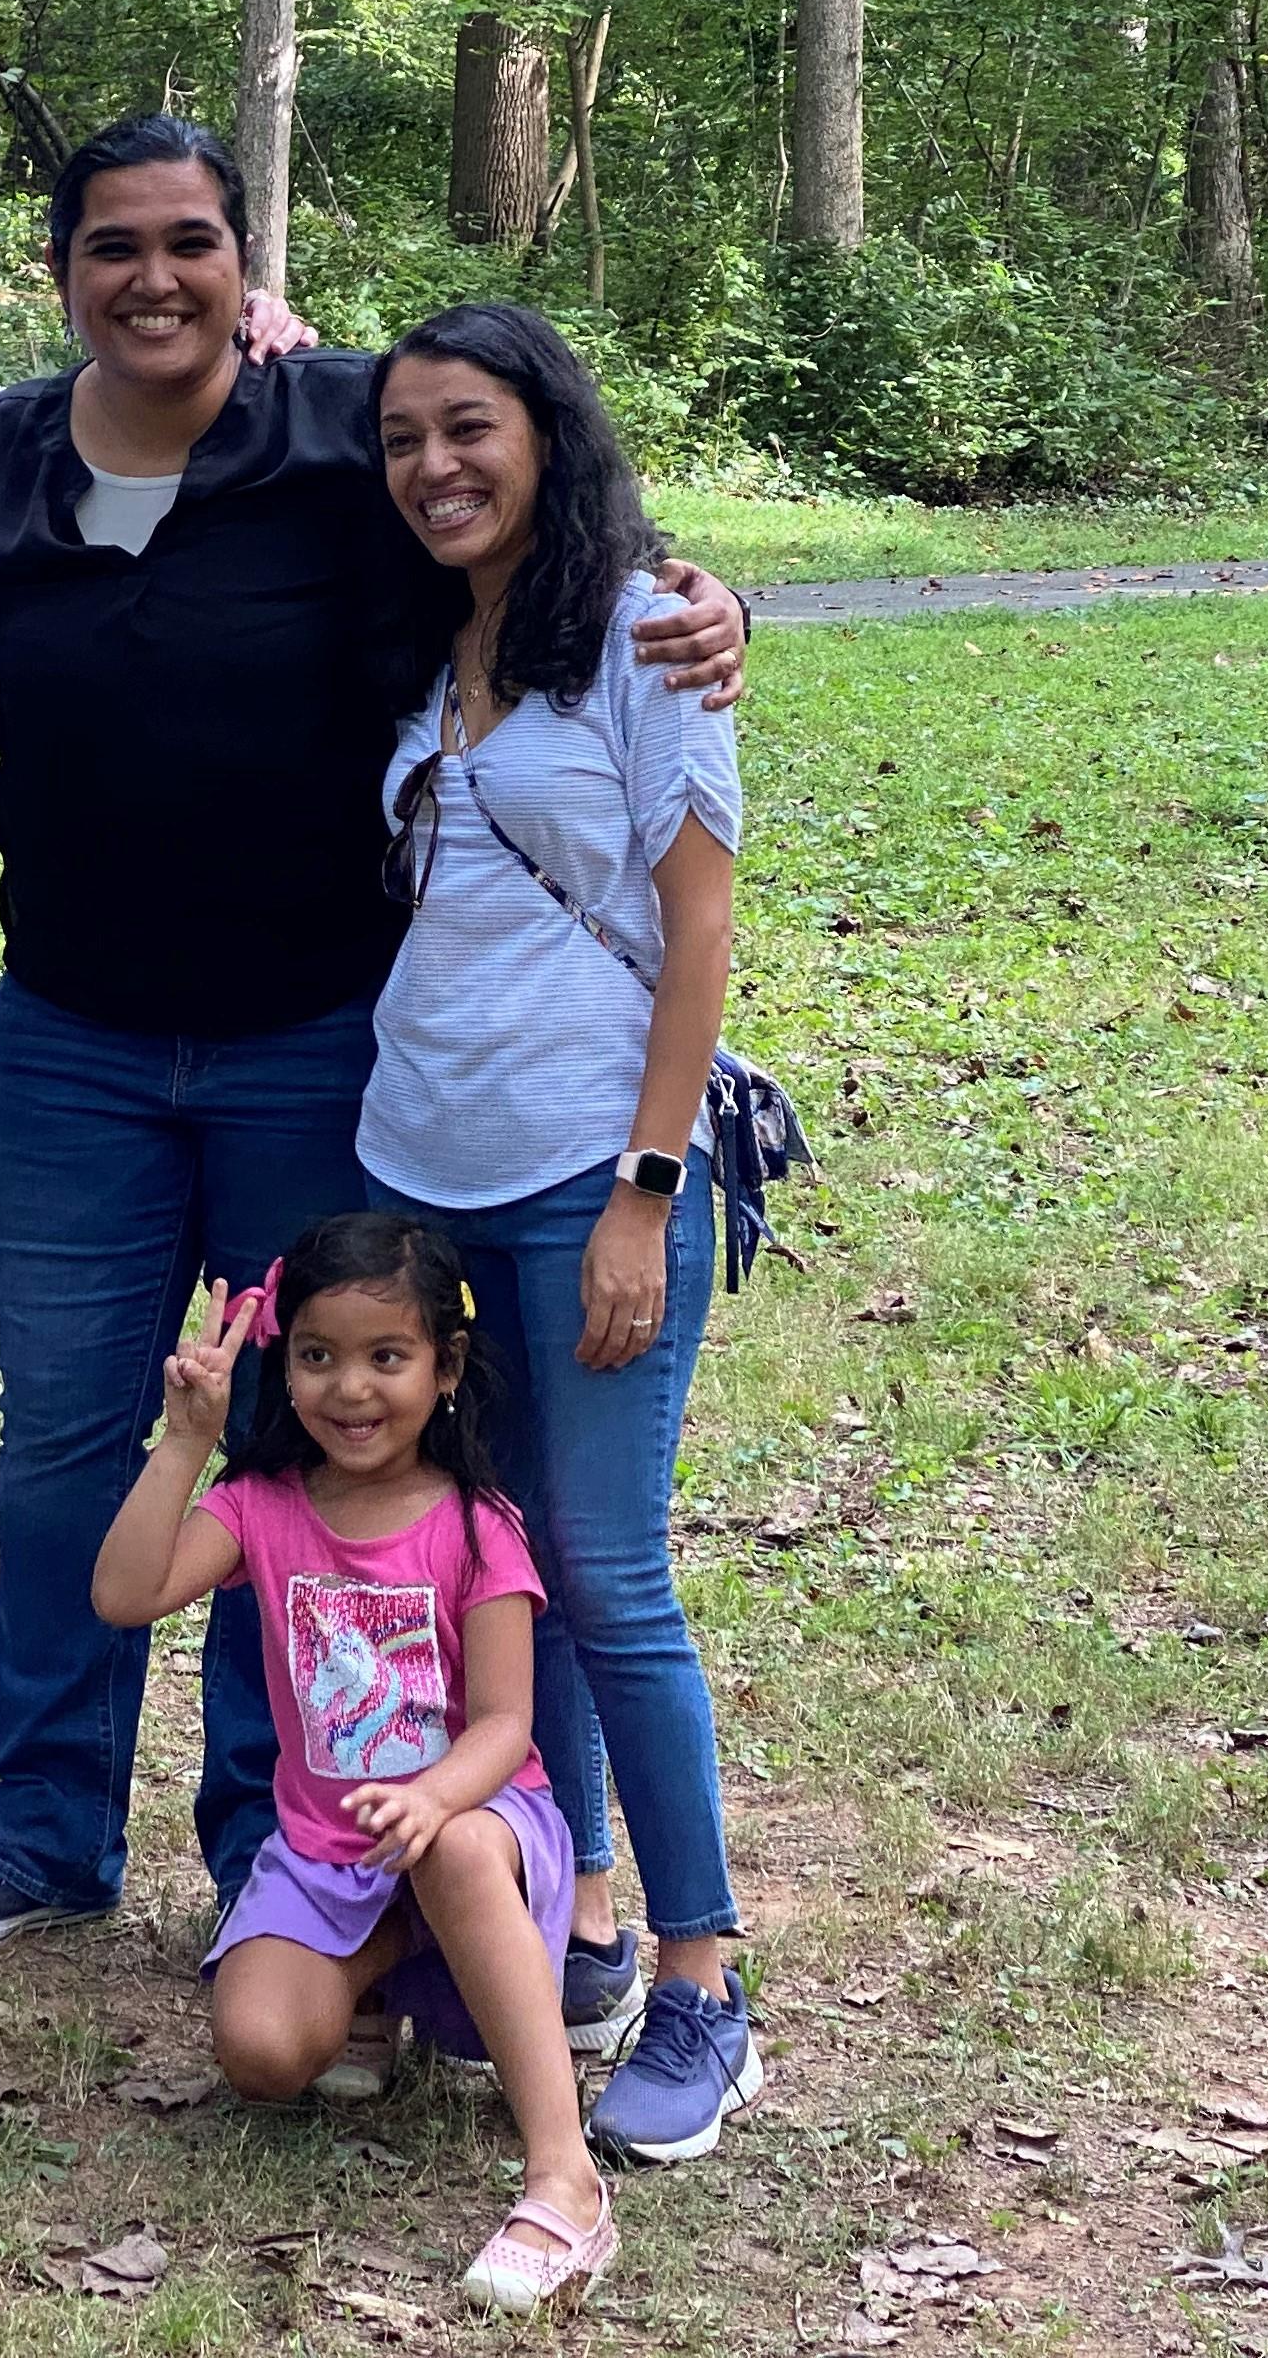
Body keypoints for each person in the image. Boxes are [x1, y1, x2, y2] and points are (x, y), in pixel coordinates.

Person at [0, 115, 749, 1975]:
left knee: (290, 1441)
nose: (152, 276)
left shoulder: (333, 425)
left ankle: (272, 1843)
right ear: (61, 272)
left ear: (240, 258)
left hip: (311, 1047)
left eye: (190, 239)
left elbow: (529, 487)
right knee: (63, 1442)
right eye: (112, 245)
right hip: (74, 1045)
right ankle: (42, 1829)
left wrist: (698, 595)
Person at [361, 300, 760, 2164]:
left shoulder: (644, 633)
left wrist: (646, 1184)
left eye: (469, 429)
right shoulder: (422, 632)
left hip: (585, 1175)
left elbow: (696, 929)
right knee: (504, 1569)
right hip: (419, 1169)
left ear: (547, 432)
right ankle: (581, 1915)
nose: (434, 465)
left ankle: (702, 1978)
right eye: (401, 438)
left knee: (607, 1568)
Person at [91, 1218, 613, 2315]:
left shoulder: (478, 1526)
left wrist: (431, 1797)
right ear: (285, 1363)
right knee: (264, 2054)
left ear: (447, 1368)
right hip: (331, 1858)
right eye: (318, 1355)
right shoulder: (263, 1509)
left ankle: (565, 2182)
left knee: (458, 1854)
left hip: (479, 1825)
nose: (350, 1389)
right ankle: (385, 1960)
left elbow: (508, 1727)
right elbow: (124, 1595)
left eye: (388, 1356)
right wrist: (187, 1442)